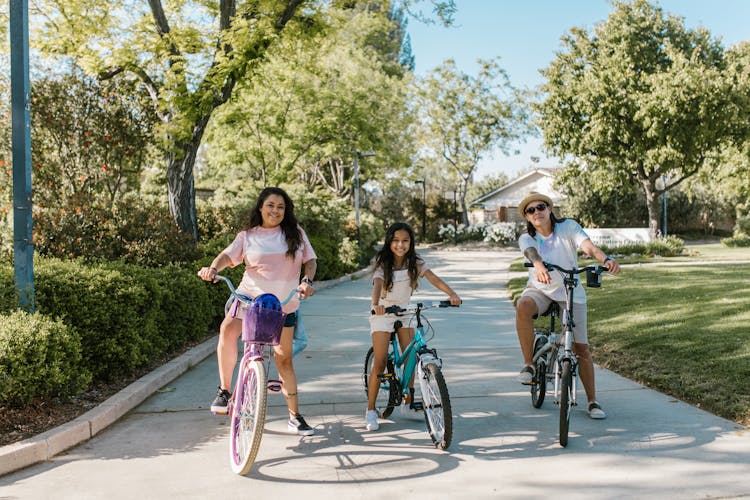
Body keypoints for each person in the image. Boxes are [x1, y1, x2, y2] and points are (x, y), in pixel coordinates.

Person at [198, 187, 318, 436]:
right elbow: (227, 256)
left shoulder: (295, 234)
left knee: (283, 359)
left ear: (286, 211)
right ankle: (224, 391)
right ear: (261, 207)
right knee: (227, 331)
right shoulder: (247, 236)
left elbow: (311, 260)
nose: (275, 210)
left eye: (281, 207)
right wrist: (212, 268)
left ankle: (295, 417)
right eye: (271, 205)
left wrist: (307, 281)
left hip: (284, 305)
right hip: (249, 301)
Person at [514, 191, 620, 419]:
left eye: (540, 207)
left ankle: (592, 402)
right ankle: (529, 365)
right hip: (540, 289)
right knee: (523, 305)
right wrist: (539, 264)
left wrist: (606, 259)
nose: (536, 213)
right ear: (527, 217)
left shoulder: (568, 227)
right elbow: (530, 252)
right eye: (530, 211)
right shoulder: (527, 237)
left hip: (570, 290)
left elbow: (588, 247)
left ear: (549, 209)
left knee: (581, 348)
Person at [366, 222, 462, 431]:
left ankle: (407, 403)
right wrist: (376, 305)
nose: (401, 245)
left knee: (411, 356)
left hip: (405, 310)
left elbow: (432, 277)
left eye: (405, 241)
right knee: (381, 361)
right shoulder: (383, 262)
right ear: (389, 241)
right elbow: (378, 284)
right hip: (383, 312)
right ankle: (371, 409)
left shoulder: (414, 261)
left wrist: (451, 294)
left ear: (411, 243)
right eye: (396, 241)